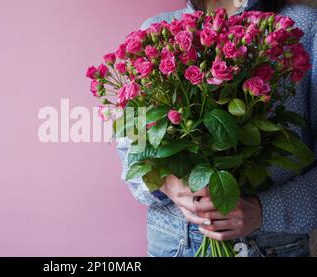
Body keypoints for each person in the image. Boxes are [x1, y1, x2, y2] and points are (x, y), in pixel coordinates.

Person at [118, 0, 317, 257]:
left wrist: (265, 211)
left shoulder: (301, 26)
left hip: (271, 245)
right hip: (173, 241)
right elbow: (131, 143)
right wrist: (166, 184)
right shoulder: (156, 30)